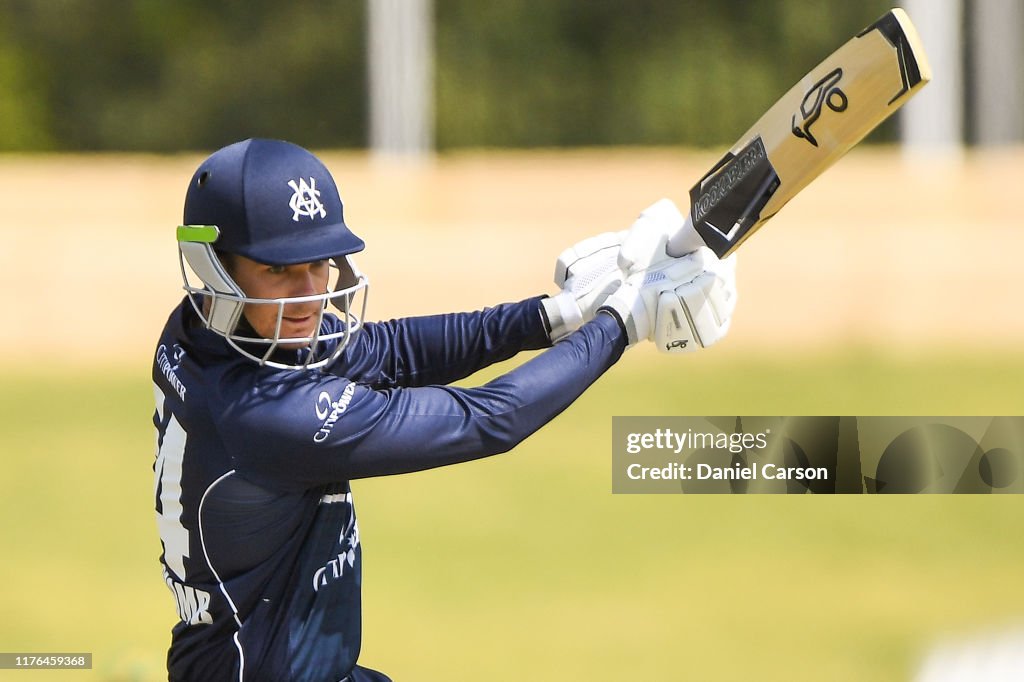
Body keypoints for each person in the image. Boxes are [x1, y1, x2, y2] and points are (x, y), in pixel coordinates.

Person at [151, 138, 737, 681]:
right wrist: (620, 324)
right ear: (213, 269)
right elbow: (488, 420)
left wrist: (557, 314)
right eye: (277, 270)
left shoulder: (205, 333)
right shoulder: (268, 415)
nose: (308, 292)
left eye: (319, 263)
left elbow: (392, 350)